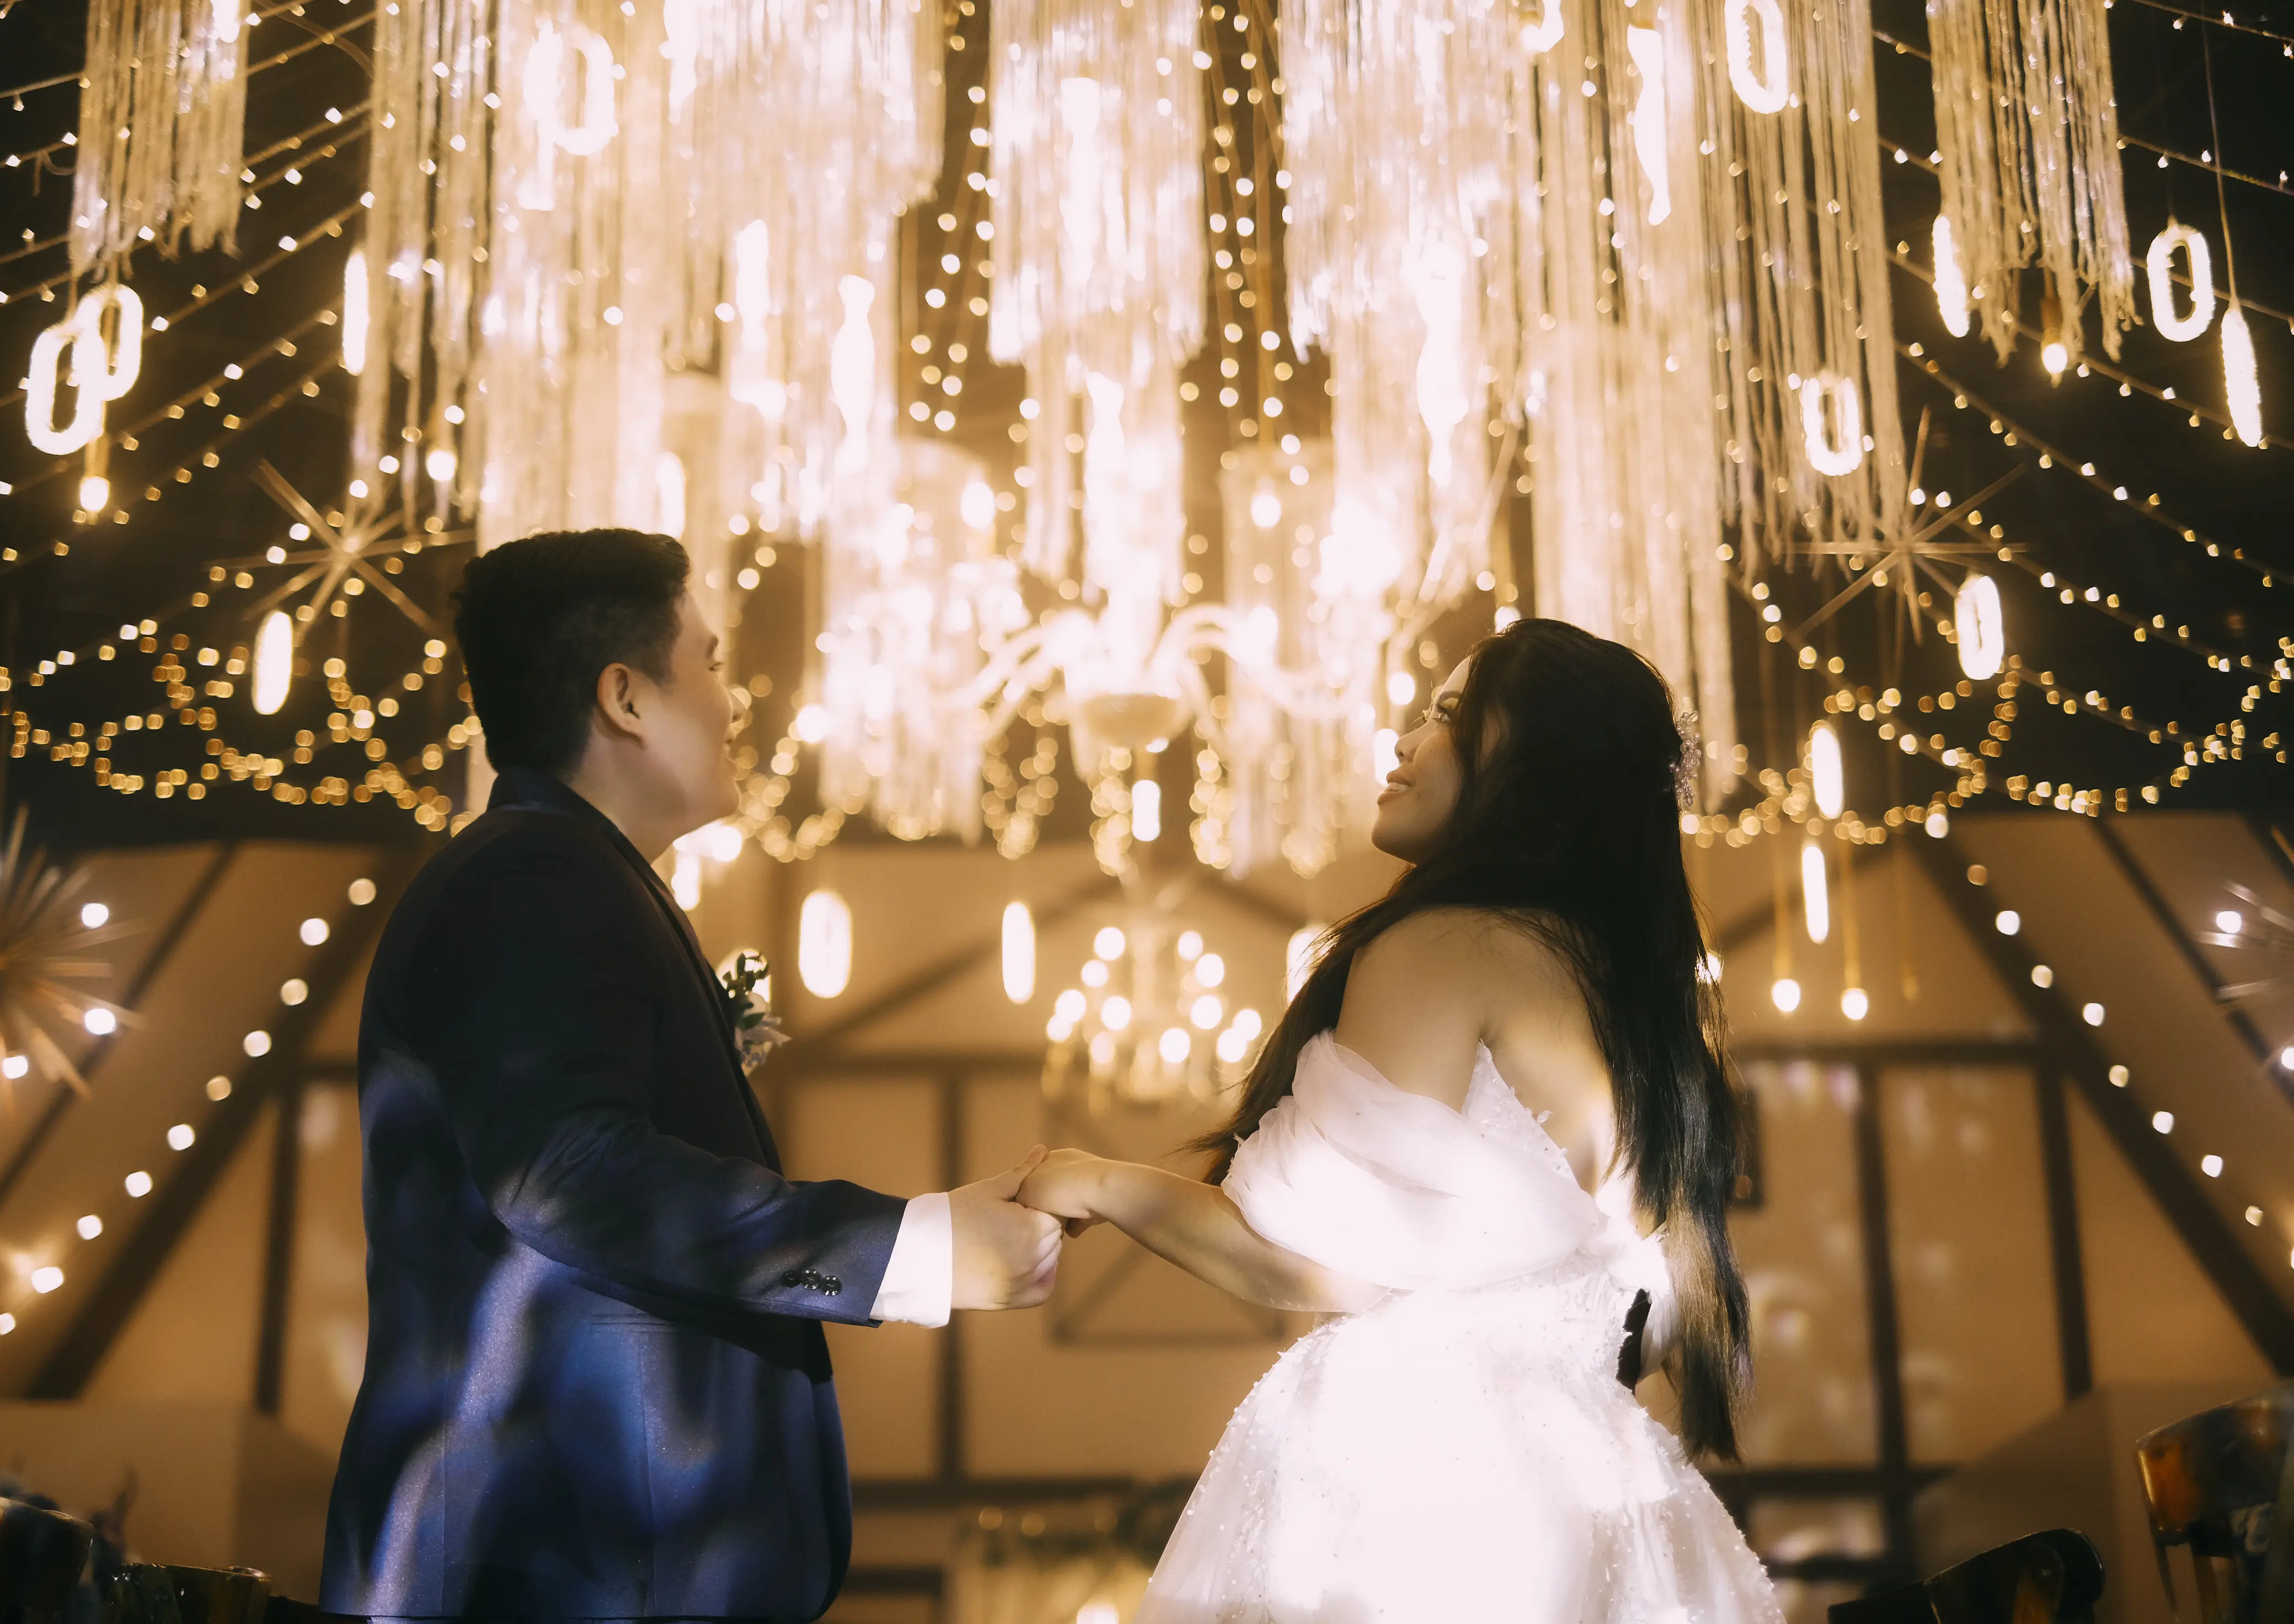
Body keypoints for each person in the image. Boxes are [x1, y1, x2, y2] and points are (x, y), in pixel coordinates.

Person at [320, 529, 1063, 1623]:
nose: (732, 699)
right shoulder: (534, 874)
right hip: (545, 1566)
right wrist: (914, 1250)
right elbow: (569, 1166)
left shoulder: (569, 878)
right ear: (625, 696)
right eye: (710, 661)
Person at [1017, 618, 1783, 1623]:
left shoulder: (1444, 948)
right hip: (1603, 1478)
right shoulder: (1639, 1003)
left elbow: (1305, 1261)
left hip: (1422, 1477)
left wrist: (1098, 1179)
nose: (1402, 739)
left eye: (1448, 716)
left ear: (1532, 762)